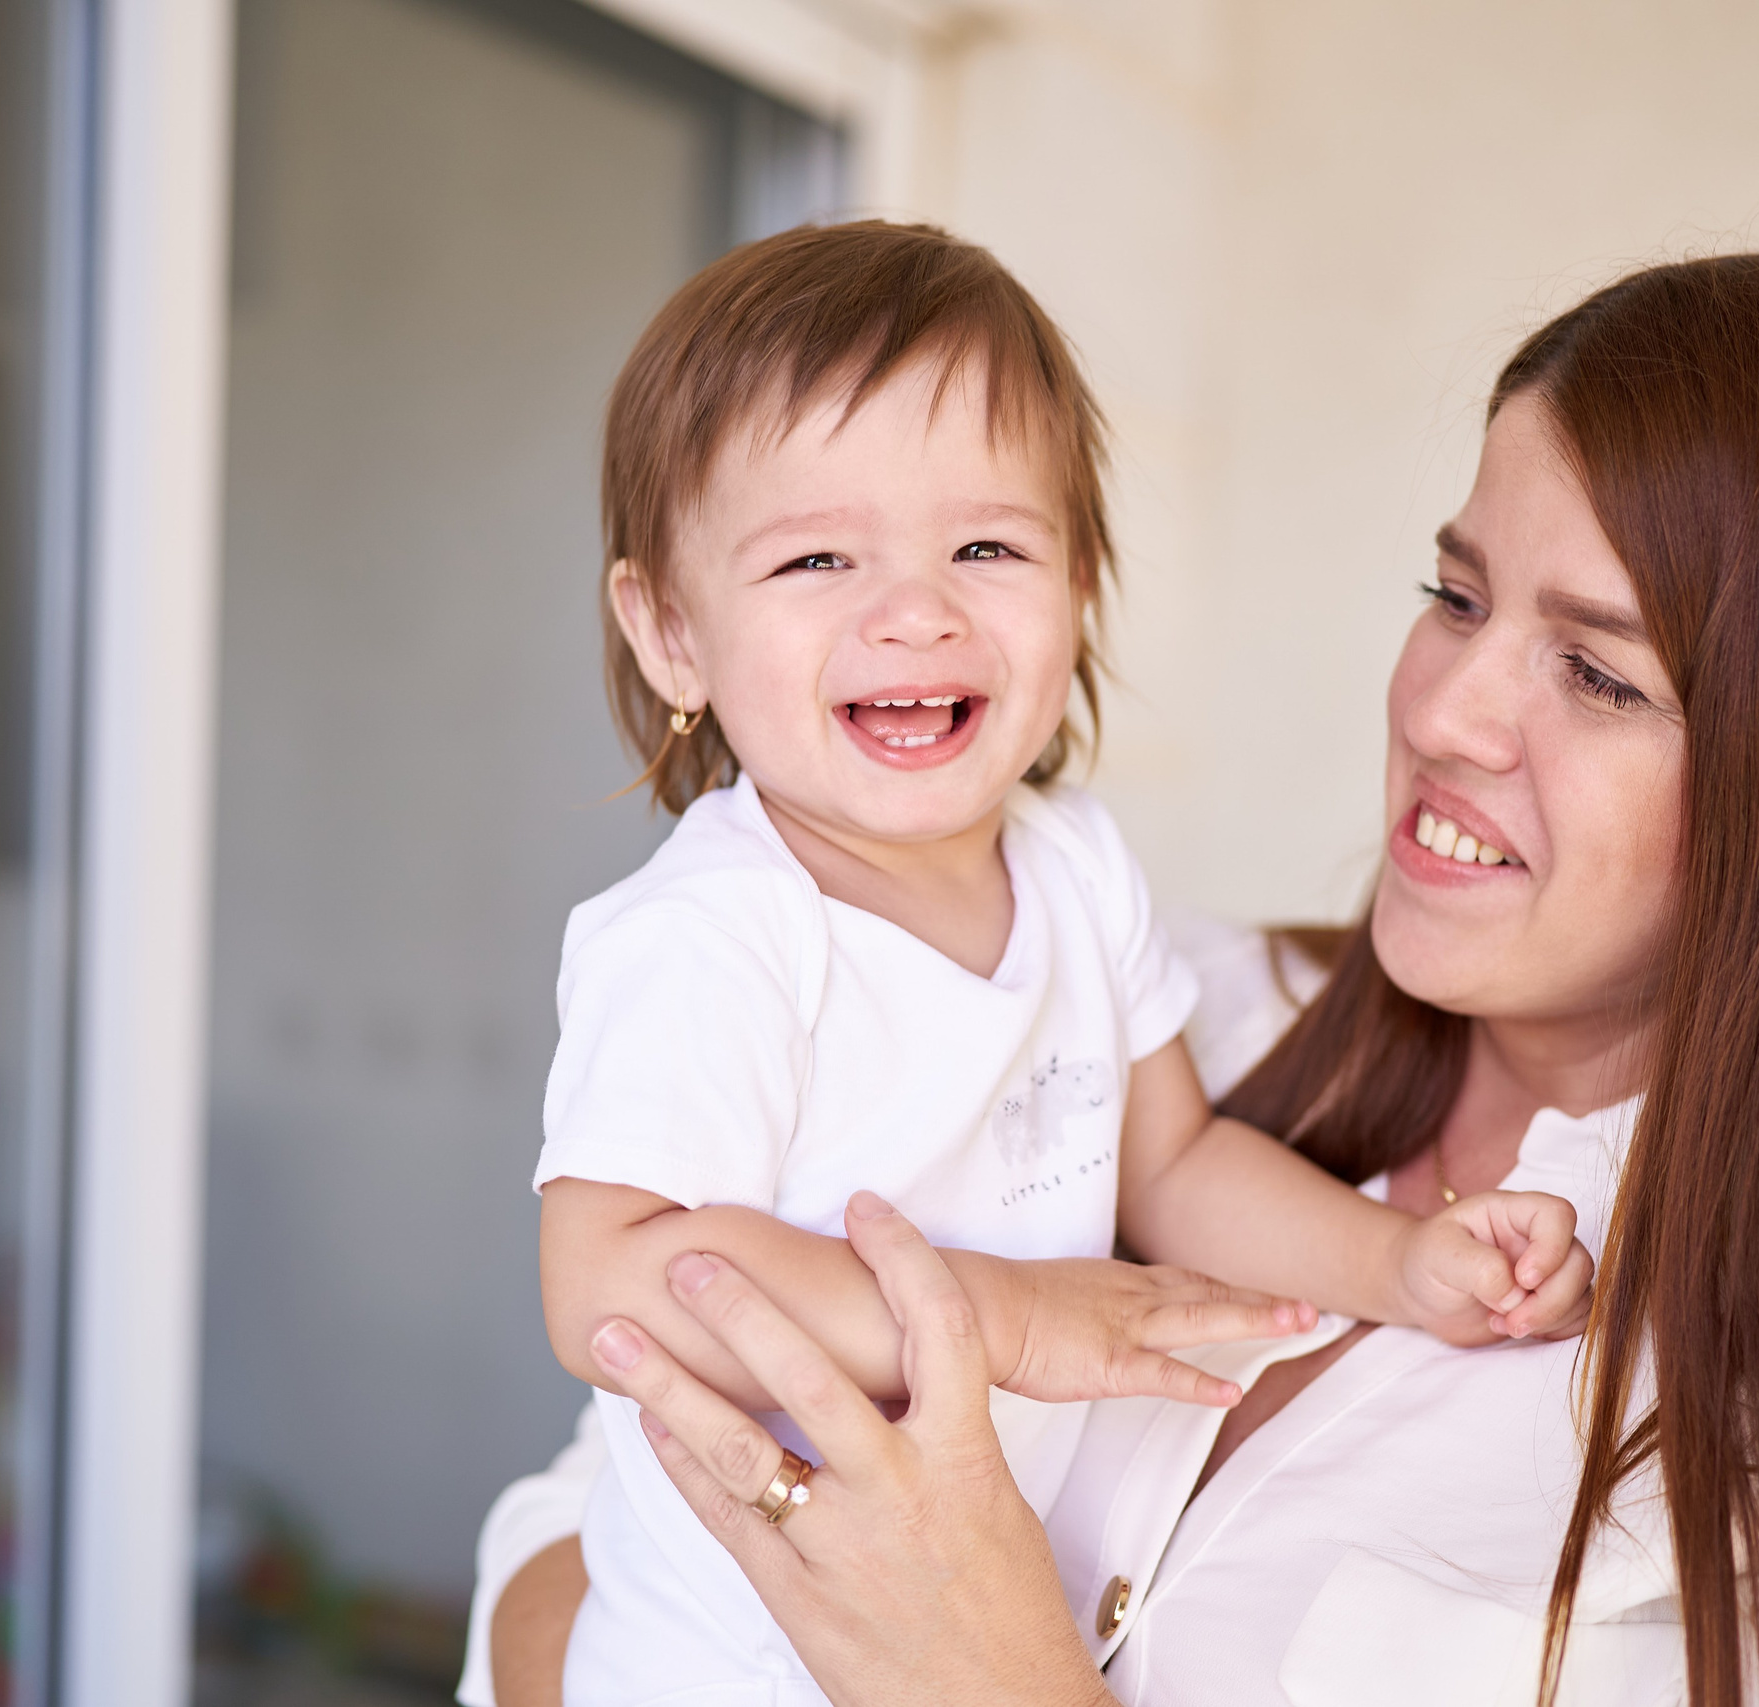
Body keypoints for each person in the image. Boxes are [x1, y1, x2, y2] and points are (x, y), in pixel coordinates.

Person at [483, 250, 1759, 1706]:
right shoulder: (1190, 990)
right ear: (670, 629)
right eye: (1453, 596)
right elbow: (571, 1506)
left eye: (1601, 676)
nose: (1443, 711)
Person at [534, 221, 1594, 1707]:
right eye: (817, 557)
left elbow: (1173, 1162)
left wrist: (1398, 1267)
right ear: (670, 635)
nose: (916, 610)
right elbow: (605, 1282)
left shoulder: (1075, 866)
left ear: (1081, 580)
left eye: (986, 546)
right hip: (719, 1662)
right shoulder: (713, 933)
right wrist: (1009, 1317)